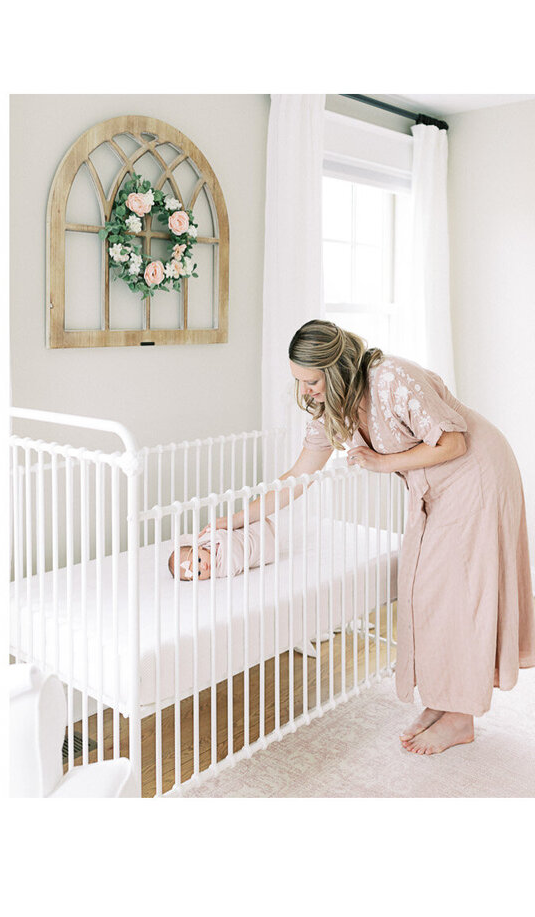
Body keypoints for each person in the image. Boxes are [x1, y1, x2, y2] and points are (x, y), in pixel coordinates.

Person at [210, 319, 534, 755]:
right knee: (424, 591)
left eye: (310, 381)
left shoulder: (391, 378)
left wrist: (381, 463)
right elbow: (297, 477)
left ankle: (460, 717)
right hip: (436, 486)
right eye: (299, 382)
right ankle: (442, 701)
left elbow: (454, 443)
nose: (305, 392)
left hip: (475, 473)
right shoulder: (333, 411)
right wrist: (234, 519)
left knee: (456, 594)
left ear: (336, 368)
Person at [169, 516, 277, 581]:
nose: (204, 567)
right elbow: (235, 557)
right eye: (198, 573)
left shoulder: (205, 540)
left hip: (251, 531)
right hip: (261, 546)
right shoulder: (221, 570)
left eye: (199, 560)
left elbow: (189, 538)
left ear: (200, 548)